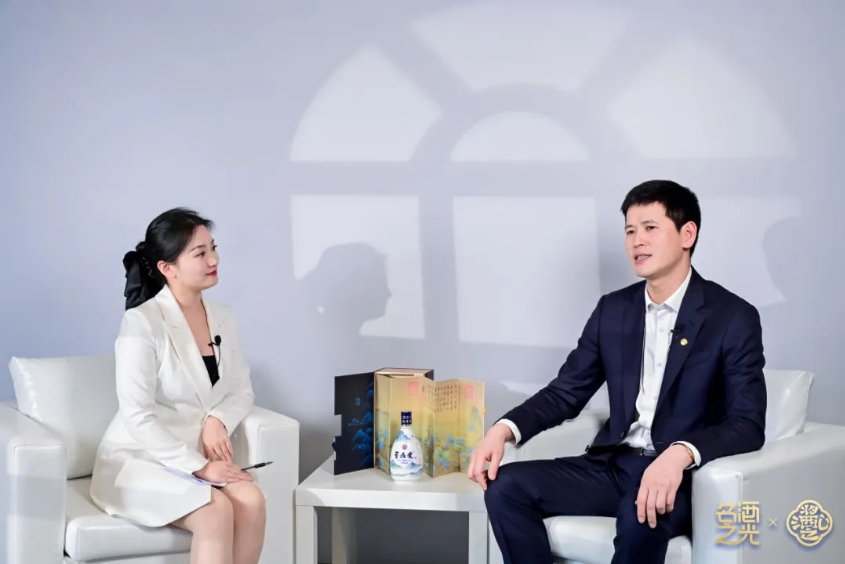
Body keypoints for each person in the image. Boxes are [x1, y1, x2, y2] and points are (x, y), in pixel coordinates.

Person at [469, 180, 767, 564]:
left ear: (687, 234)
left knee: (640, 511)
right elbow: (565, 392)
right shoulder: (614, 310)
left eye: (650, 228)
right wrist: (503, 429)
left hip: (681, 479)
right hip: (613, 467)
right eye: (629, 231)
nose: (637, 241)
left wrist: (679, 454)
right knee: (505, 486)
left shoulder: (731, 316)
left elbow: (747, 422)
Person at [90, 208, 266, 564]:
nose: (213, 260)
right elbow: (137, 417)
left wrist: (217, 418)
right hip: (140, 461)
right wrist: (199, 467)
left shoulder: (225, 317)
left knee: (252, 500)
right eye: (200, 253)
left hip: (194, 460)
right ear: (167, 268)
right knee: (215, 511)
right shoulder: (141, 324)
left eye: (213, 248)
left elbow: (241, 390)